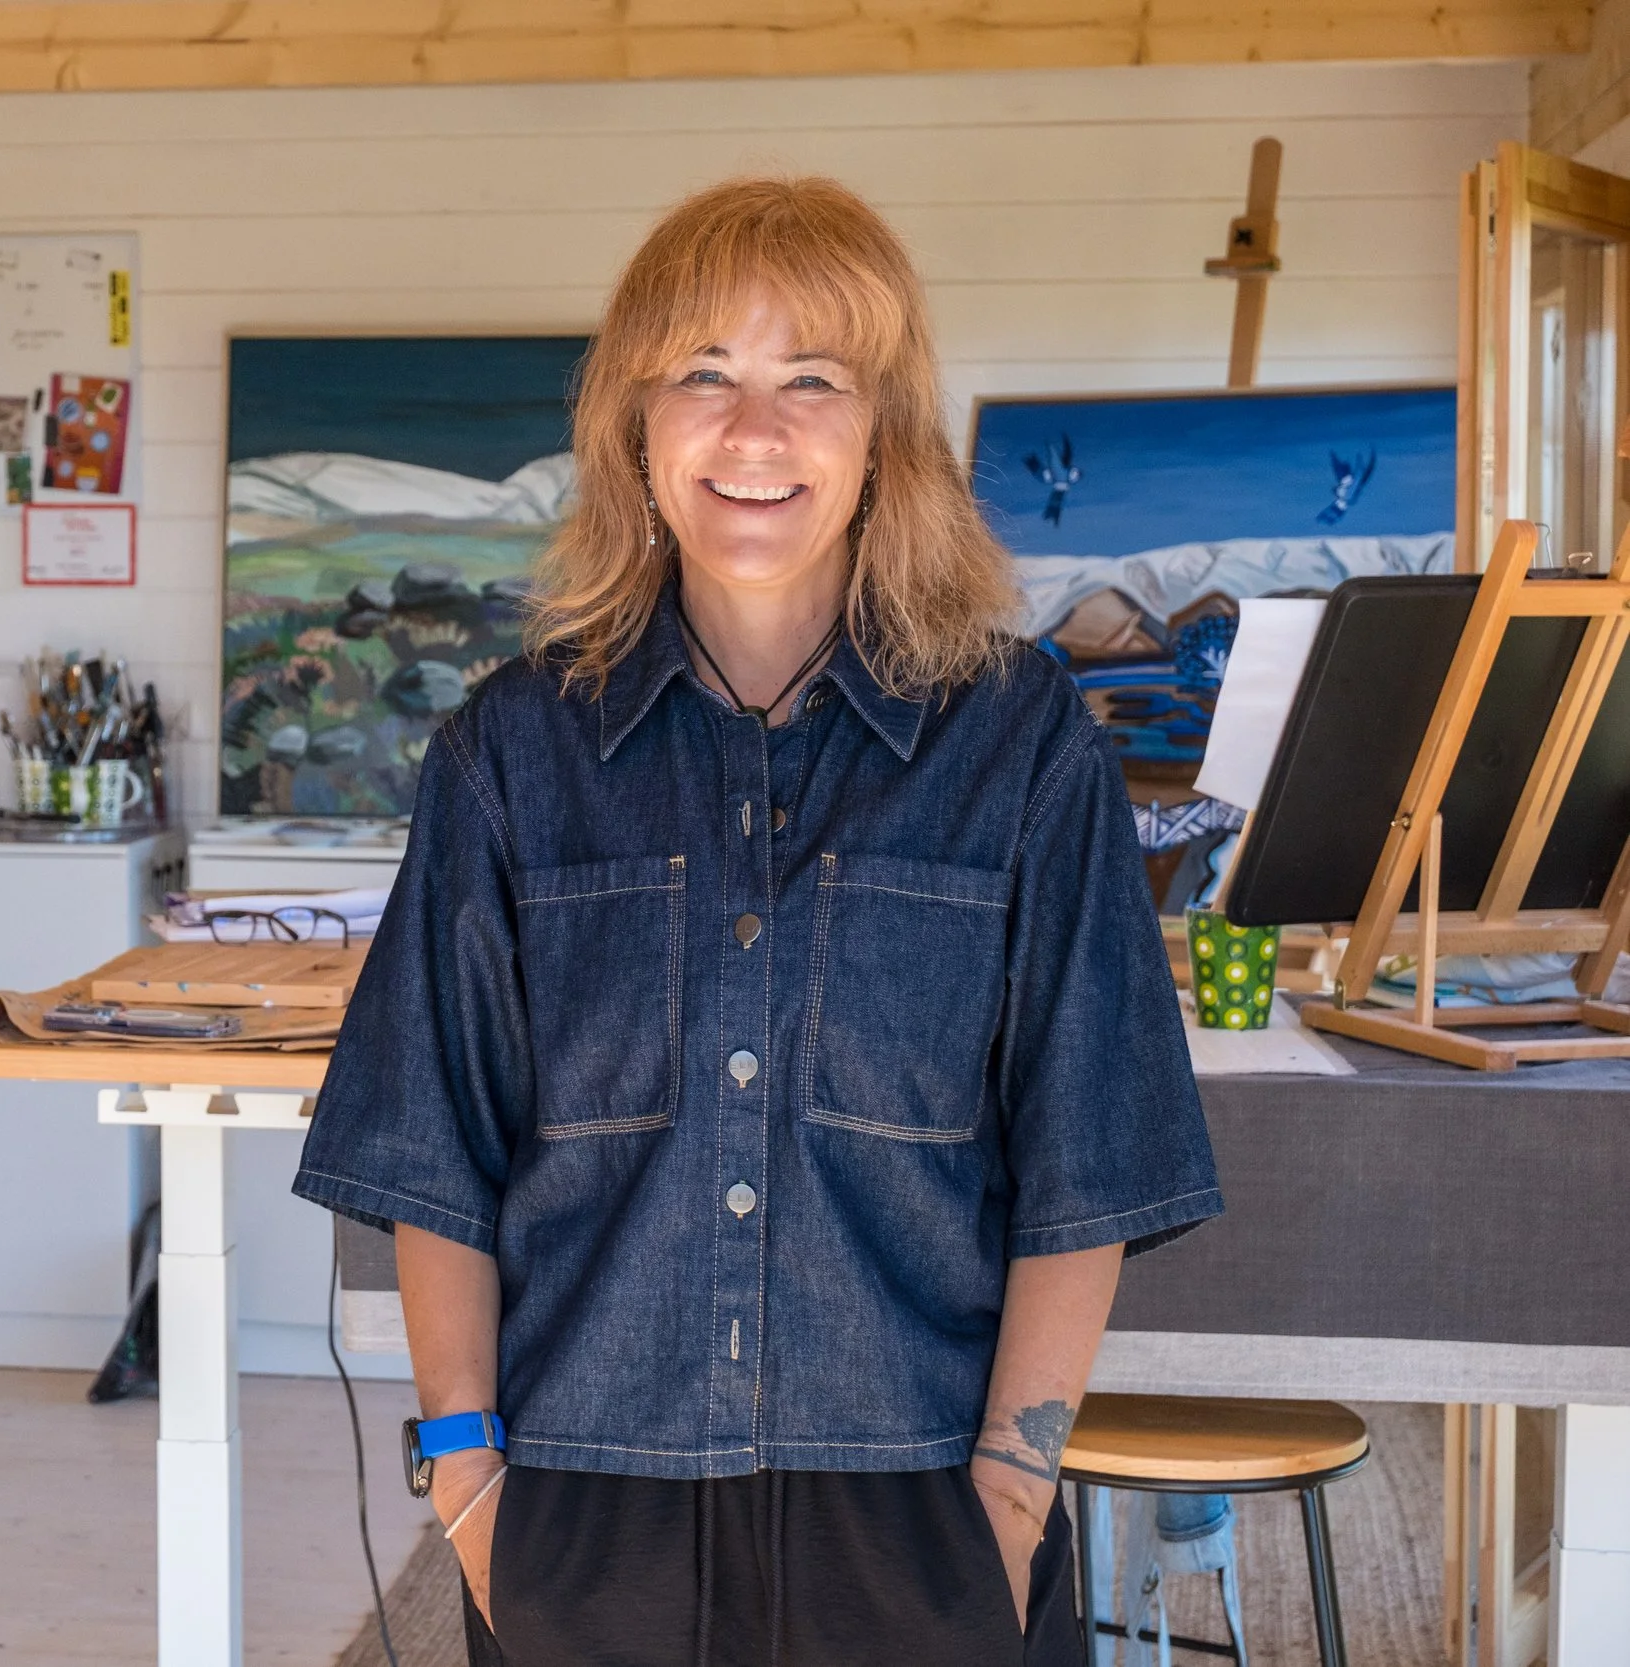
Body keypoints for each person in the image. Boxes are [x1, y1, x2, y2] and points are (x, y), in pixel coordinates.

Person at [292, 176, 1222, 1665]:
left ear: (884, 437)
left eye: (813, 381)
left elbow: (1087, 1160)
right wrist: (467, 1485)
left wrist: (1012, 1487)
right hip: (590, 1522)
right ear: (635, 431)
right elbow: (433, 1160)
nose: (754, 431)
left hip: (922, 1513)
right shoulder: (510, 757)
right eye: (704, 377)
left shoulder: (1022, 746)